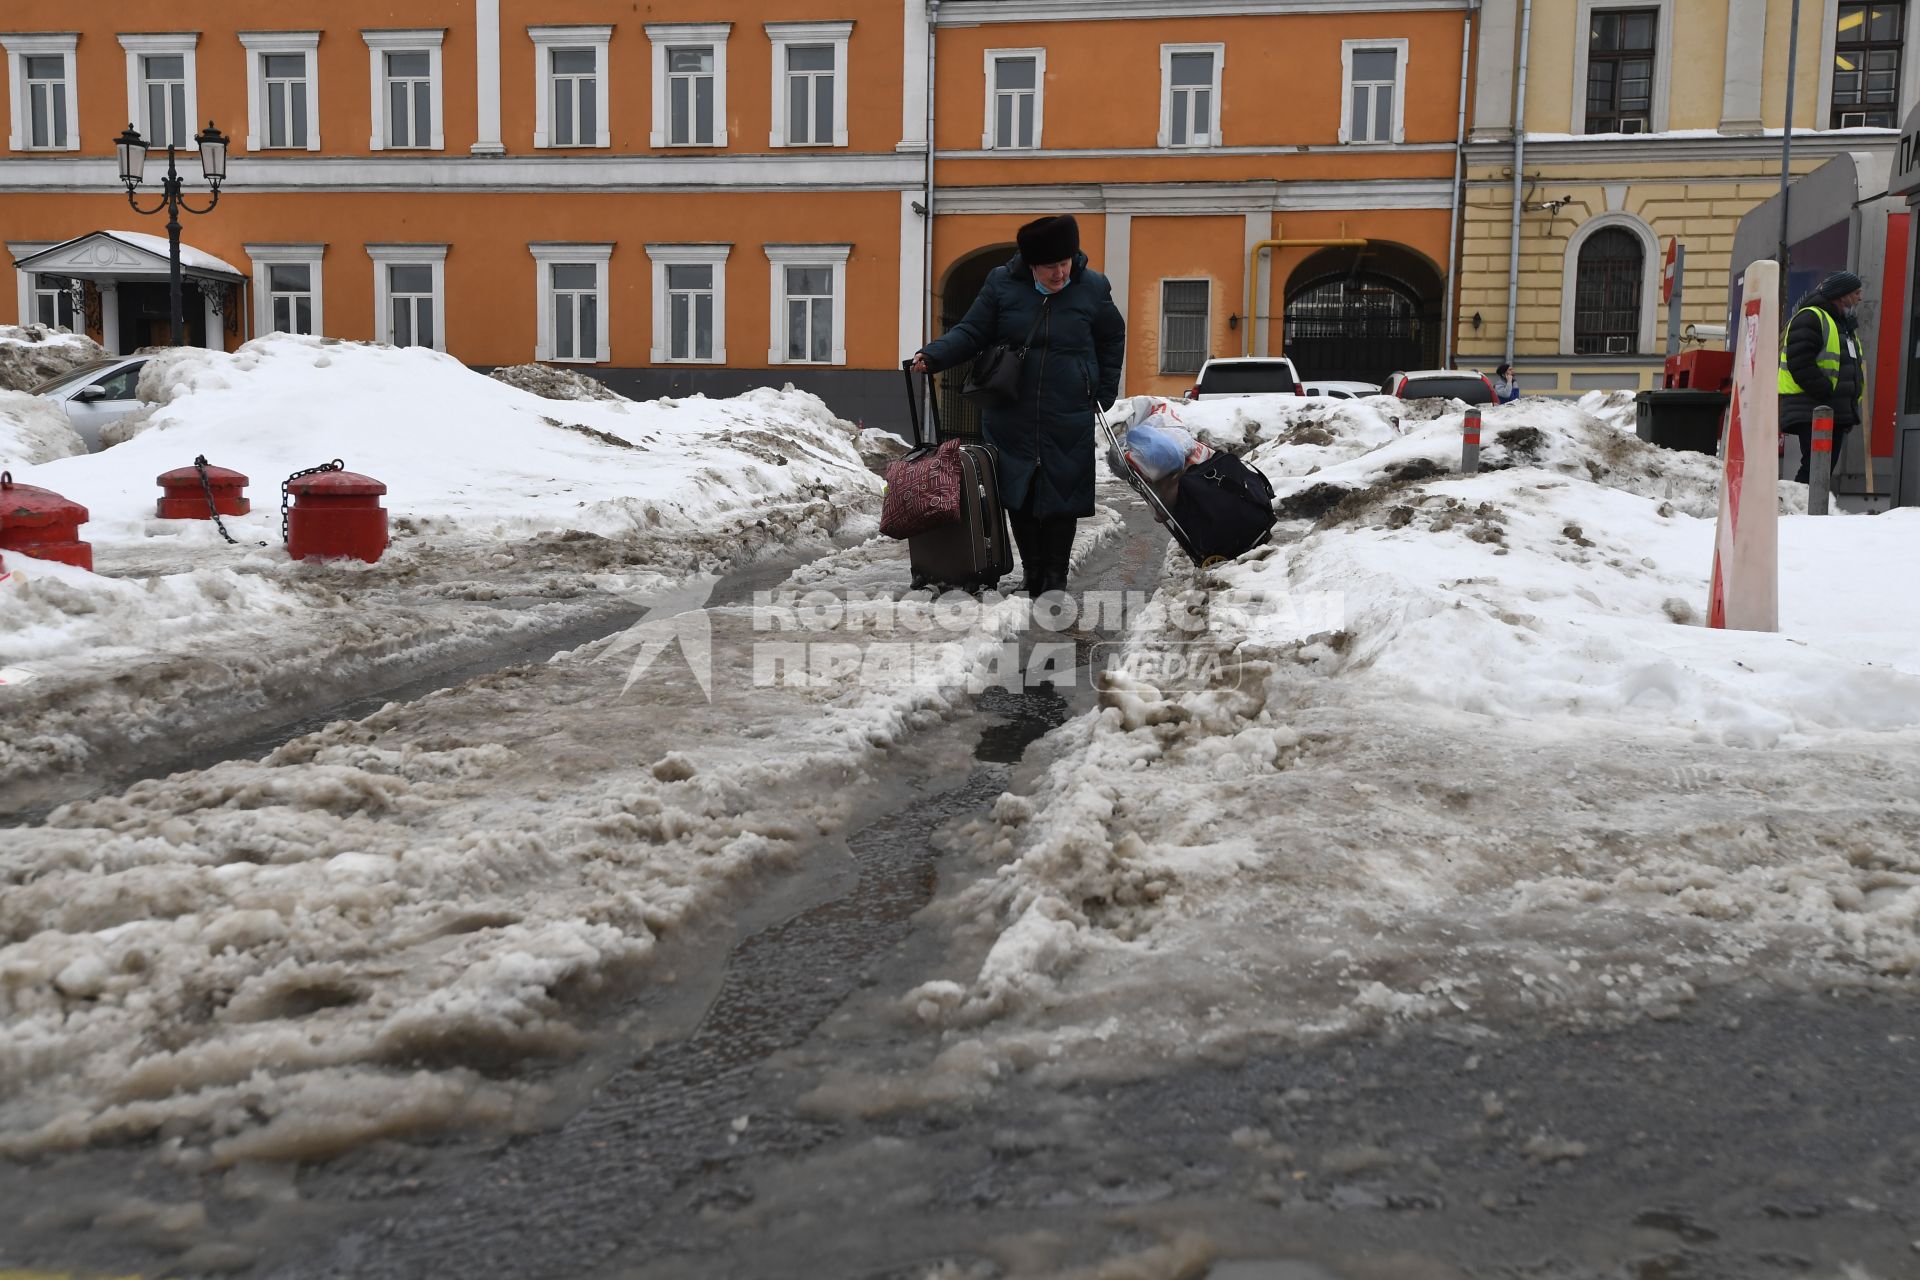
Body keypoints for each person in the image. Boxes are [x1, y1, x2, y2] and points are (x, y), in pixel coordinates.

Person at [912, 214, 1125, 597]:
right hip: (1012, 406)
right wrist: (934, 355)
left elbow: (1112, 337)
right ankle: (1032, 573)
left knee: (1063, 492)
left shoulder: (1092, 287)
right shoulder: (1001, 284)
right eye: (1050, 267)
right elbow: (973, 329)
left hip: (1068, 407)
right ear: (1030, 264)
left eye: (1065, 263)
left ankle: (1055, 577)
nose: (1060, 273)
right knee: (1019, 492)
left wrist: (1102, 389)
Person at [1778, 269, 1866, 485]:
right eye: (1856, 293)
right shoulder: (1811, 317)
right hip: (1814, 408)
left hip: (1829, 409)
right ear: (1842, 294)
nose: (1860, 298)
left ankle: (1804, 513)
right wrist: (1826, 394)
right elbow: (1800, 362)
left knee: (1821, 470)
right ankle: (1800, 514)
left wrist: (1848, 406)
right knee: (1815, 468)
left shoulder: (1843, 325)